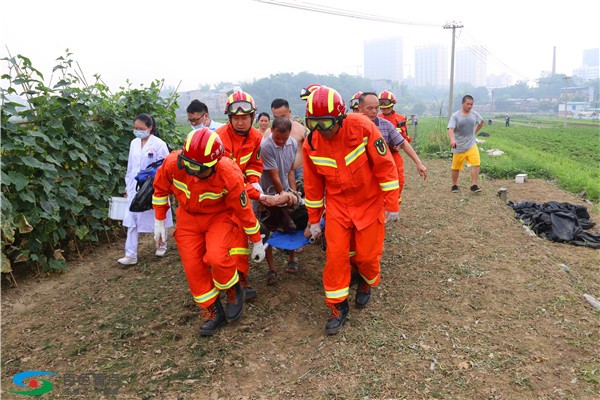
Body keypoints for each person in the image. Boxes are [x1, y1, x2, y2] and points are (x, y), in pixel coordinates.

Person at [302, 86, 400, 335]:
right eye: (315, 124)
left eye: (327, 124)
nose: (321, 131)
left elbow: (384, 166)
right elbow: (313, 187)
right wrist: (314, 220)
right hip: (337, 207)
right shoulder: (312, 143)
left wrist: (392, 203)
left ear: (341, 116)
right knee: (335, 257)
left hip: (368, 202)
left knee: (367, 256)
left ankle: (366, 282)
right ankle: (337, 307)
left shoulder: (362, 126)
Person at [152, 128, 266, 336]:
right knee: (193, 266)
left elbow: (243, 210)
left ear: (214, 163)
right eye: (188, 165)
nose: (193, 172)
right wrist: (159, 219)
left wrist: (256, 240)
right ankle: (213, 311)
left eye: (199, 168)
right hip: (187, 217)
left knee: (216, 257)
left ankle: (233, 290)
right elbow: (160, 188)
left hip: (218, 217)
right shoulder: (172, 163)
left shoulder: (228, 173)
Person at [216, 90, 294, 299]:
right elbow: (228, 176)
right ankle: (223, 281)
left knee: (240, 243)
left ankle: (241, 282)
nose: (241, 122)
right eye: (236, 118)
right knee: (220, 245)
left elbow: (253, 164)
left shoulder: (256, 137)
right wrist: (258, 194)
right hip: (219, 197)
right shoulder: (219, 139)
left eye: (245, 118)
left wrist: (253, 181)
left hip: (241, 196)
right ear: (230, 117)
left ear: (252, 117)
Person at [118, 113, 173, 265]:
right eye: (135, 128)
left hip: (153, 186)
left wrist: (162, 186)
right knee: (132, 218)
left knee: (157, 213)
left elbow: (166, 166)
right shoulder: (133, 143)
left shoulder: (159, 144)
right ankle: (130, 255)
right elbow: (130, 167)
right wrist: (127, 187)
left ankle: (161, 244)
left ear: (150, 128)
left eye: (141, 128)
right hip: (135, 186)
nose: (137, 131)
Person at [358, 92, 427, 205]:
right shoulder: (349, 126)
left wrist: (419, 163)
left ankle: (391, 206)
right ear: (360, 108)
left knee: (395, 182)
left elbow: (403, 142)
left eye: (376, 108)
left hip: (386, 159)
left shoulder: (386, 124)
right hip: (361, 169)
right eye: (370, 108)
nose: (374, 111)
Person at [259, 117, 303, 284]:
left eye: (284, 138)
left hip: (285, 189)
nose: (281, 141)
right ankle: (272, 269)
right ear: (272, 130)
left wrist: (294, 194)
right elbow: (274, 175)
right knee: (267, 229)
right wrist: (283, 197)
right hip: (268, 193)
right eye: (278, 137)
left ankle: (292, 258)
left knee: (292, 224)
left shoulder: (292, 144)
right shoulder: (266, 146)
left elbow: (290, 170)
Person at [265, 99, 309, 189]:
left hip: (300, 172)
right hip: (277, 173)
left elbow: (314, 147)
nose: (280, 120)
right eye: (276, 117)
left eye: (283, 116)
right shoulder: (268, 134)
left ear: (289, 112)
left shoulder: (300, 129)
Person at [447, 95, 485, 193]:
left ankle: (474, 185)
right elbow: (451, 128)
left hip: (471, 144)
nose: (469, 106)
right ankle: (454, 185)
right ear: (462, 103)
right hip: (458, 145)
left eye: (471, 104)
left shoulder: (474, 114)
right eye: (467, 104)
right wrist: (452, 140)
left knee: (476, 163)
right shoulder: (455, 116)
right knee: (456, 166)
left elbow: (481, 122)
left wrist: (474, 132)